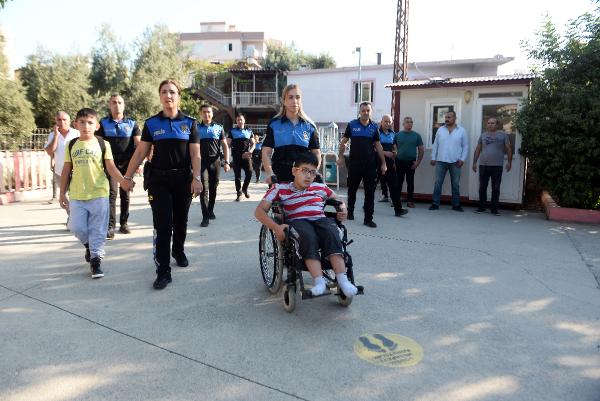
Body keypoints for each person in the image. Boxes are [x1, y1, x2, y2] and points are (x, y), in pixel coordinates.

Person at [121, 79, 202, 290]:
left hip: (183, 180)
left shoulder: (190, 123)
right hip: (158, 181)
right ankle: (163, 271)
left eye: (172, 92)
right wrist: (127, 177)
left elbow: (195, 154)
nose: (168, 95)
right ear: (160, 97)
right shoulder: (151, 124)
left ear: (179, 97)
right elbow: (140, 152)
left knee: (181, 221)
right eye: (164, 92)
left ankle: (179, 250)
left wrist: (197, 178)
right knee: (163, 225)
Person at [254, 152, 358, 298]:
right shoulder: (279, 188)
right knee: (307, 236)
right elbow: (259, 211)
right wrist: (276, 227)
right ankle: (319, 282)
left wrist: (343, 209)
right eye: (304, 171)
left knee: (332, 233)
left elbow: (339, 200)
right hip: (298, 221)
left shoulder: (320, 187)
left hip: (320, 219)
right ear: (294, 171)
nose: (308, 176)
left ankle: (343, 281)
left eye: (312, 172)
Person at [58, 108, 129, 279]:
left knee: (97, 229)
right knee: (75, 226)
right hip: (77, 194)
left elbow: (111, 167)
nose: (86, 126)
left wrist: (123, 181)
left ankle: (96, 260)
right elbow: (66, 170)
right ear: (76, 124)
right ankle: (90, 247)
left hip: (99, 193)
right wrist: (62, 193)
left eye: (90, 122)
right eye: (82, 122)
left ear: (96, 126)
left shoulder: (103, 144)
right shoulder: (72, 144)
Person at [96, 94, 141, 238]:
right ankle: (110, 227)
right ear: (109, 105)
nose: (117, 105)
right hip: (110, 164)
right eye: (114, 102)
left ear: (124, 105)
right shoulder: (103, 124)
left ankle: (124, 224)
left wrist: (139, 164)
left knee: (125, 194)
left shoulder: (132, 124)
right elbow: (98, 144)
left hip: (128, 164)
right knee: (111, 194)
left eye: (120, 102)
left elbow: (139, 145)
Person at [337, 102, 387, 227]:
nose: (365, 112)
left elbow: (378, 145)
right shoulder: (352, 125)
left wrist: (383, 163)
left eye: (368, 110)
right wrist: (340, 157)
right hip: (354, 164)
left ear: (371, 112)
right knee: (352, 190)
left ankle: (368, 219)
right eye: (363, 110)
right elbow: (343, 142)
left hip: (370, 164)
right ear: (359, 112)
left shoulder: (374, 127)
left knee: (370, 192)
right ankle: (351, 212)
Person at [261, 84, 321, 184]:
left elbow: (316, 153)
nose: (294, 101)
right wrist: (270, 173)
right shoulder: (274, 124)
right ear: (284, 101)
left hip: (302, 177)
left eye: (297, 97)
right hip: (279, 177)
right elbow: (266, 152)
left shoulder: (309, 126)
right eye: (290, 97)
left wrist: (314, 172)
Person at [429, 110, 469, 212]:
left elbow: (465, 146)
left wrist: (462, 159)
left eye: (449, 117)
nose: (447, 119)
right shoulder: (440, 130)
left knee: (455, 184)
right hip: (441, 161)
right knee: (438, 183)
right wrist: (433, 157)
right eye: (446, 117)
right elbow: (436, 144)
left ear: (455, 118)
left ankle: (456, 204)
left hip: (456, 162)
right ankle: (435, 203)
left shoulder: (462, 131)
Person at [472, 117, 512, 215]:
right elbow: (478, 149)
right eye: (489, 123)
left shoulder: (503, 135)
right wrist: (474, 162)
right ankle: (481, 207)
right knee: (482, 187)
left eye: (492, 123)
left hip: (497, 166)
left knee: (496, 188)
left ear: (497, 124)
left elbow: (508, 148)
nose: (490, 125)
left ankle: (494, 209)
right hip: (483, 165)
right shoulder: (483, 135)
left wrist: (509, 162)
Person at [198, 104, 230, 227]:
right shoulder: (196, 128)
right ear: (201, 113)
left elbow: (225, 146)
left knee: (213, 188)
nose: (207, 114)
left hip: (215, 162)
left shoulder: (218, 128)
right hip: (201, 162)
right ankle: (205, 216)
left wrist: (226, 162)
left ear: (212, 114)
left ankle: (210, 210)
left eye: (209, 112)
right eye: (204, 112)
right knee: (203, 189)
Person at [44, 111, 79, 207]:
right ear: (56, 121)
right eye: (59, 120)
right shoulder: (52, 135)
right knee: (64, 196)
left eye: (64, 120)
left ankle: (72, 218)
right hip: (60, 170)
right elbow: (50, 151)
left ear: (69, 121)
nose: (62, 122)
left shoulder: (76, 134)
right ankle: (71, 215)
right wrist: (56, 136)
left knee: (75, 195)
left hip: (76, 170)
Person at [378, 114, 408, 216]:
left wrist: (395, 153)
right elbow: (373, 148)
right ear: (381, 122)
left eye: (389, 121)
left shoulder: (393, 134)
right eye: (385, 121)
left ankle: (398, 210)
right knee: (371, 187)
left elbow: (395, 147)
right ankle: (367, 207)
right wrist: (385, 153)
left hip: (390, 164)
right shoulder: (376, 133)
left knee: (394, 186)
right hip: (377, 163)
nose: (388, 123)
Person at [394, 116, 424, 208]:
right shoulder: (397, 135)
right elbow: (394, 149)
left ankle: (410, 201)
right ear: (403, 124)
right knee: (398, 182)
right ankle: (396, 200)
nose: (409, 124)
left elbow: (421, 150)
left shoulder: (417, 135)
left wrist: (417, 162)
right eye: (407, 122)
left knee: (410, 182)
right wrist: (394, 162)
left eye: (411, 122)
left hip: (411, 162)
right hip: (399, 162)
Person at [228, 114, 255, 201]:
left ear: (244, 121)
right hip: (236, 157)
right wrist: (227, 158)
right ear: (236, 122)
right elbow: (228, 144)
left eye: (241, 120)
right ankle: (239, 193)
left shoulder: (249, 131)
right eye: (238, 120)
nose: (239, 121)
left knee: (250, 172)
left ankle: (244, 188)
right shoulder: (232, 131)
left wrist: (250, 151)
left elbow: (253, 143)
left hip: (246, 155)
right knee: (237, 176)